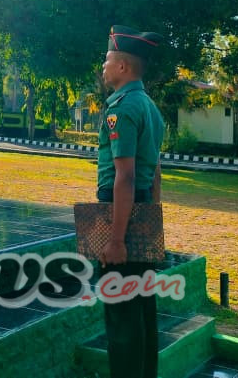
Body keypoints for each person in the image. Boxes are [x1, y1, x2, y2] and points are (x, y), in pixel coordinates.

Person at [95, 25, 166, 378]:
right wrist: (150, 226)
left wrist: (117, 239)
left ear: (123, 66)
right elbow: (154, 174)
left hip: (119, 211)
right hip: (141, 211)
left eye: (108, 60)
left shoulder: (121, 109)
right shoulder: (150, 107)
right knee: (142, 311)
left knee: (121, 316)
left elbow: (125, 176)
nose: (103, 66)